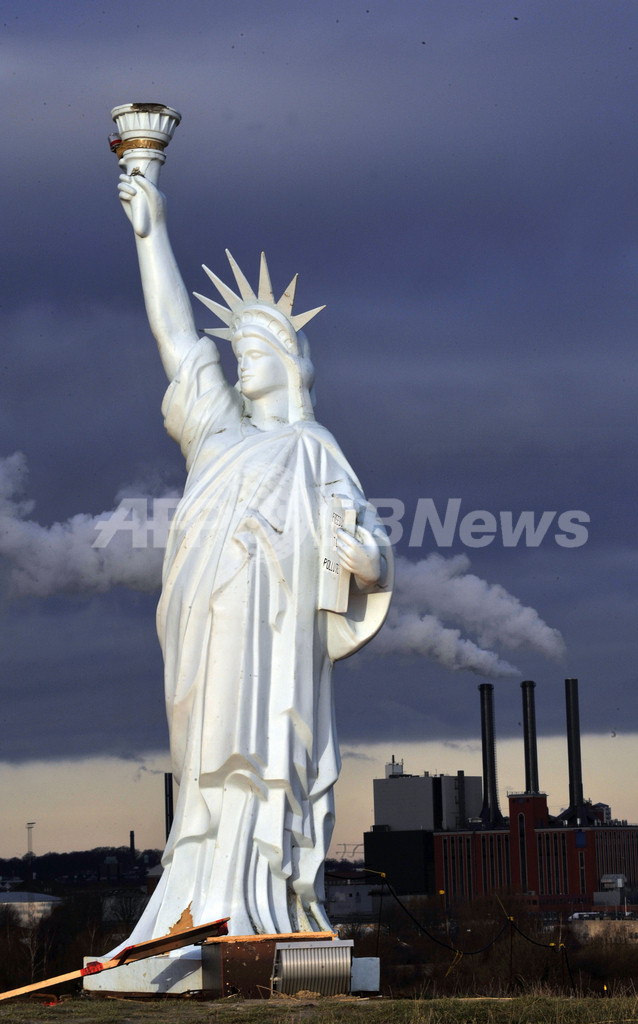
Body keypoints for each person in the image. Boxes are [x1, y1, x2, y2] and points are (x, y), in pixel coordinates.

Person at [115, 172, 393, 939]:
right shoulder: (219, 436)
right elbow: (176, 339)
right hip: (205, 626)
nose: (239, 359)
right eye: (234, 347)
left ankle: (256, 906)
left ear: (290, 358)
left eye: (254, 347)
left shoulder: (311, 448)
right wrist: (151, 230)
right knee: (204, 760)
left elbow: (366, 553)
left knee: (263, 756)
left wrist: (363, 562)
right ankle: (198, 899)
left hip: (274, 642)